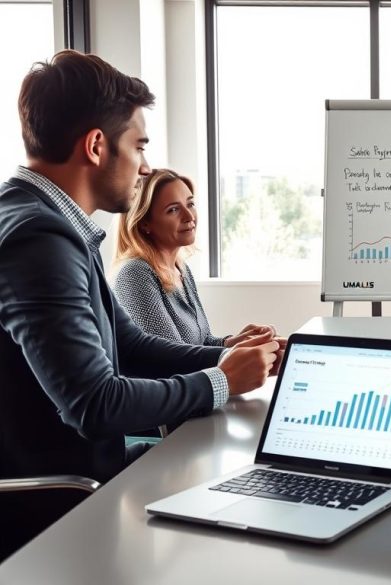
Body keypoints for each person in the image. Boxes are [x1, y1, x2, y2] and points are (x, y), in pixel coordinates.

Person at [0, 50, 279, 557]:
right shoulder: (38, 237)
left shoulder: (53, 224)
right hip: (59, 502)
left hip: (87, 475)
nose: (145, 166)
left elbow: (128, 344)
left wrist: (230, 359)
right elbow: (95, 405)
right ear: (97, 146)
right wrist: (220, 381)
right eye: (140, 146)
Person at [114, 169, 276, 346]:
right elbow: (171, 359)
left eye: (190, 204)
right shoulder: (135, 274)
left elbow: (201, 343)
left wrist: (231, 343)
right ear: (144, 222)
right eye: (173, 210)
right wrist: (236, 353)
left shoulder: (180, 268)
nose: (189, 216)